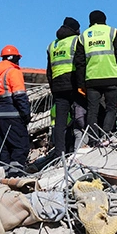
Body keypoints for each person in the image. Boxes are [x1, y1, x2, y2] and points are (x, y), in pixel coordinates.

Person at [72, 10, 117, 139]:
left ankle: (94, 139)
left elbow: (80, 63)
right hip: (111, 78)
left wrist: (80, 84)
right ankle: (106, 135)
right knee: (111, 108)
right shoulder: (112, 32)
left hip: (92, 80)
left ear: (90, 21)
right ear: (105, 19)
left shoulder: (84, 36)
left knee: (92, 111)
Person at [46, 16, 82, 157]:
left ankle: (59, 153)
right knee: (79, 116)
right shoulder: (76, 41)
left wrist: (53, 88)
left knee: (60, 122)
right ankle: (76, 149)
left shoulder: (52, 45)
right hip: (73, 83)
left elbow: (49, 71)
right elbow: (80, 64)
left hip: (58, 87)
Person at [0, 45, 31, 173]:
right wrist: (26, 114)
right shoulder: (13, 72)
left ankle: (4, 171)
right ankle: (16, 173)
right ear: (15, 58)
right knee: (20, 144)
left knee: (4, 146)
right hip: (13, 114)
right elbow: (20, 95)